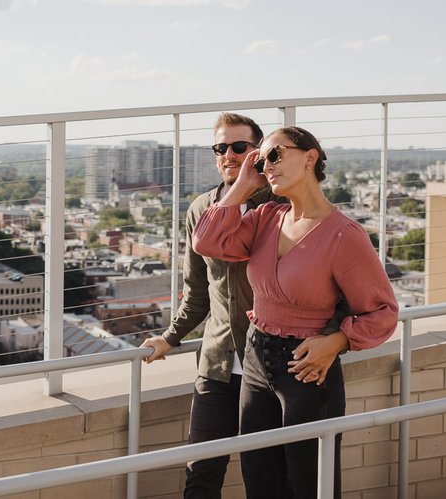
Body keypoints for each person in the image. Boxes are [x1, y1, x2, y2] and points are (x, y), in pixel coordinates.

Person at [140, 112, 344, 499]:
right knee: (201, 473)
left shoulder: (281, 205)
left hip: (279, 363)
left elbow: (333, 288)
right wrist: (170, 337)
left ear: (260, 152)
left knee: (280, 476)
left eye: (239, 147)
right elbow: (197, 290)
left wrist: (331, 341)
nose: (229, 156)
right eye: (220, 148)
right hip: (218, 363)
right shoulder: (203, 209)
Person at [191, 126, 398, 499]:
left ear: (309, 157)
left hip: (306, 368)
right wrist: (243, 184)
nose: (265, 165)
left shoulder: (343, 235)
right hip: (255, 361)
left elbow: (383, 312)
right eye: (260, 159)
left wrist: (337, 341)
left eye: (274, 155)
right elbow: (207, 240)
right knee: (260, 483)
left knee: (309, 485)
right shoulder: (266, 218)